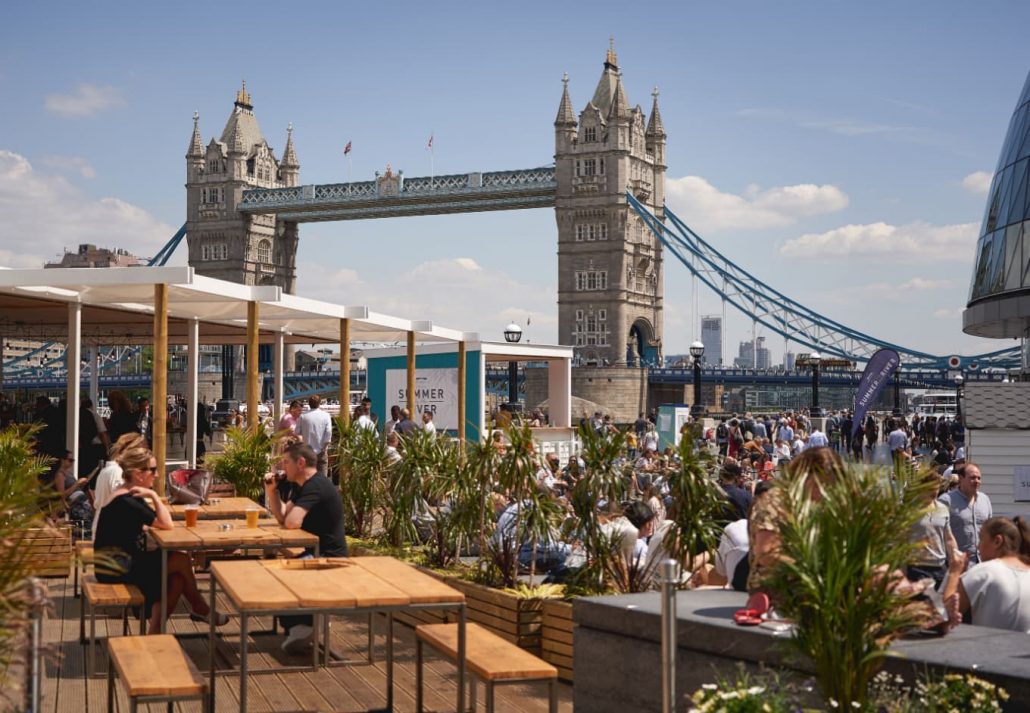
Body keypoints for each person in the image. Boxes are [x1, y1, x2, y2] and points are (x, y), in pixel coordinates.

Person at [93, 441, 225, 633]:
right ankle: (200, 608)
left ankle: (156, 629)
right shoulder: (129, 499)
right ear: (139, 473)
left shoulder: (128, 494)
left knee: (178, 579)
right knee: (180, 559)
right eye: (153, 470)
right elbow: (167, 523)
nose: (156, 474)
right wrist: (154, 496)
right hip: (115, 568)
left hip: (117, 563)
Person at [263, 441, 347, 653]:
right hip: (314, 552)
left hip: (330, 558)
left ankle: (307, 622)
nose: (283, 467)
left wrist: (288, 515)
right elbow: (283, 517)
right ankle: (303, 623)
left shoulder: (316, 486)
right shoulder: (303, 486)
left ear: (301, 463)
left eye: (286, 462)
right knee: (276, 572)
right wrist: (272, 491)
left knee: (283, 575)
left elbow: (292, 522)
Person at [943, 516, 1030, 632]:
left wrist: (954, 573)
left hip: (990, 648)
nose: (978, 547)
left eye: (981, 539)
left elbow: (943, 617)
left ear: (997, 541)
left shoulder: (984, 572)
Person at [907, 472, 958, 590]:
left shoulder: (943, 509)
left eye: (937, 488)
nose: (934, 492)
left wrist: (955, 557)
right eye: (930, 489)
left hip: (940, 567)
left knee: (940, 607)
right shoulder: (909, 509)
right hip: (917, 568)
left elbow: (949, 538)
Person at [939, 463, 992, 566]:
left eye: (979, 478)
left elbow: (989, 530)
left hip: (981, 564)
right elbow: (938, 533)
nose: (976, 481)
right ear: (961, 478)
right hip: (956, 565)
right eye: (972, 478)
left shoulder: (985, 500)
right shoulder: (946, 501)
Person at [297, 395, 332, 477]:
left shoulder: (303, 416)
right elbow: (328, 432)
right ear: (319, 403)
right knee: (322, 478)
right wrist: (325, 446)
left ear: (309, 404)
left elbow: (297, 432)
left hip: (307, 451)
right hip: (321, 450)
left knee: (307, 476)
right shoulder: (326, 415)